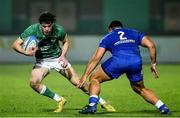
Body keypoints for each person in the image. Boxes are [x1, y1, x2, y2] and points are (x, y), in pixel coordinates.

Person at [11, 11, 116, 113]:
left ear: (52, 24)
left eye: (49, 26)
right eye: (44, 26)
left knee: (79, 83)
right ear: (40, 25)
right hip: (42, 61)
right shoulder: (32, 30)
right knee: (33, 83)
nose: (47, 29)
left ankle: (103, 102)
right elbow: (15, 45)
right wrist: (25, 52)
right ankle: (60, 100)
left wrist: (63, 56)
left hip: (58, 59)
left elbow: (65, 41)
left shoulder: (58, 29)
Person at [77, 20, 171, 114]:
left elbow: (97, 57)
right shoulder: (134, 32)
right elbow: (151, 45)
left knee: (94, 78)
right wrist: (153, 63)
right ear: (121, 27)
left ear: (110, 29)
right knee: (140, 88)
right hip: (135, 62)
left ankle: (92, 106)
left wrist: (85, 75)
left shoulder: (107, 37)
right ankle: (163, 107)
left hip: (118, 62)